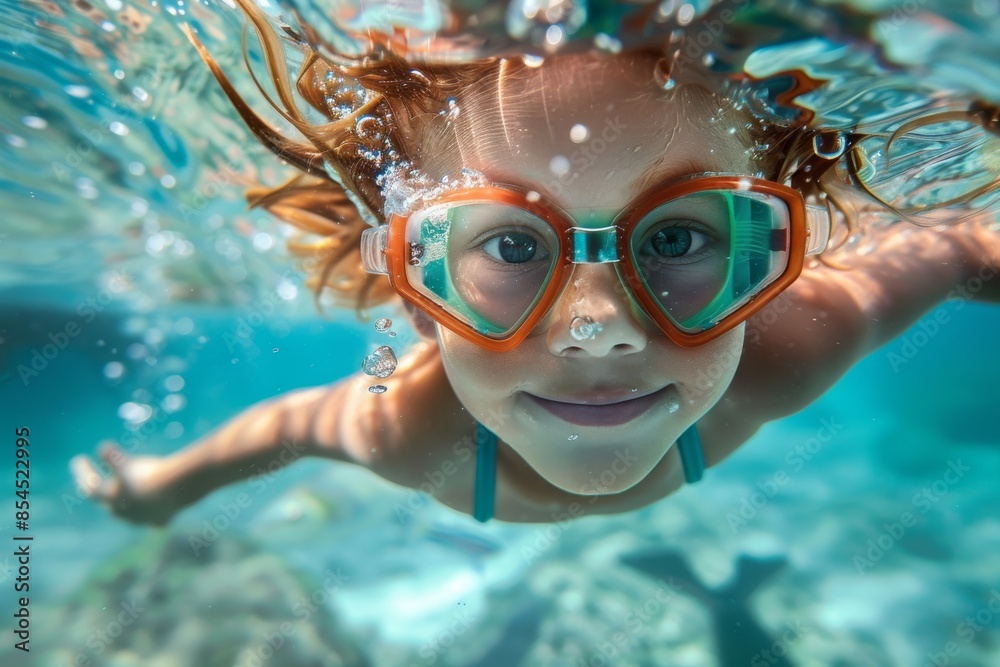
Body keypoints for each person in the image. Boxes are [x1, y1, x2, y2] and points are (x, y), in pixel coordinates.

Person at [71, 0, 999, 525]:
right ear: (415, 288)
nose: (597, 326)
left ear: (775, 264)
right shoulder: (415, 434)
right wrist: (159, 486)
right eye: (513, 244)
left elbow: (961, 242)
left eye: (677, 238)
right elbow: (290, 424)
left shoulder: (793, 346)